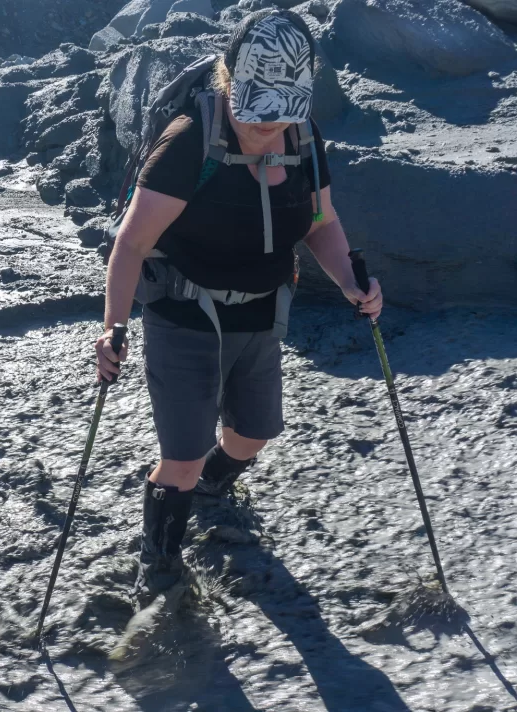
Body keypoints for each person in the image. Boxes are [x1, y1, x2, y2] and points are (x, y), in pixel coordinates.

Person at [95, 9, 384, 607]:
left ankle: (207, 494)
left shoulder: (303, 138)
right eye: (255, 114)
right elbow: (131, 243)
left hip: (259, 313)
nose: (266, 128)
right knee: (181, 457)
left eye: (279, 116)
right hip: (185, 315)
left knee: (255, 433)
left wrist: (354, 284)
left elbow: (321, 222)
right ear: (230, 86)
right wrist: (114, 327)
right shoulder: (186, 142)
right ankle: (162, 562)